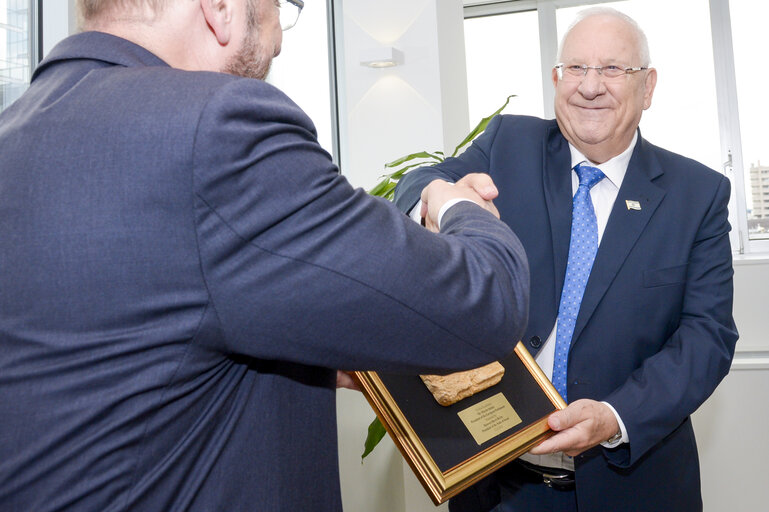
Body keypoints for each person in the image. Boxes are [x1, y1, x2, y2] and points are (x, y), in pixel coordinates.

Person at [0, 1, 531, 510]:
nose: (278, 38)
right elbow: (484, 303)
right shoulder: (216, 128)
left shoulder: (17, 132)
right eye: (278, 4)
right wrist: (456, 203)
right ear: (220, 8)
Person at [394, 7, 738, 512]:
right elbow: (418, 182)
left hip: (636, 486)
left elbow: (707, 336)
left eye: (613, 69)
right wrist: (444, 199)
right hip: (500, 486)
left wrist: (616, 415)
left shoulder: (698, 193)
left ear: (648, 87)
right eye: (575, 68)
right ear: (556, 79)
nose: (590, 86)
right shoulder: (508, 144)